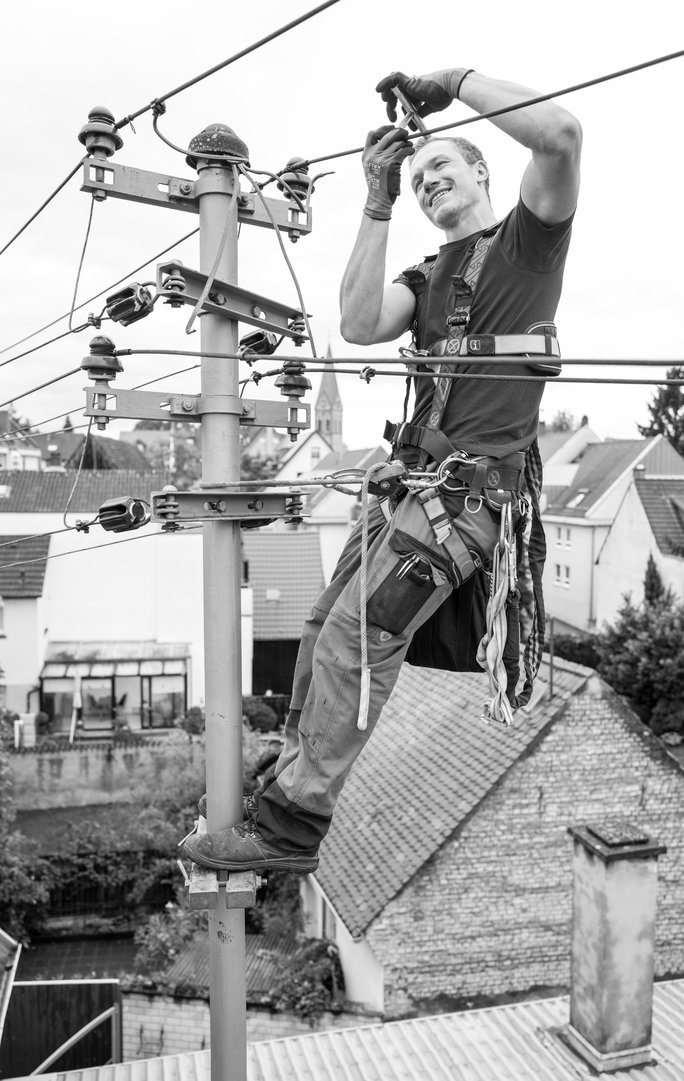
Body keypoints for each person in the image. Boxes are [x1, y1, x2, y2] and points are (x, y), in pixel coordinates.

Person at [181, 66, 582, 874]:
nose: (431, 180)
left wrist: (454, 81)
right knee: (326, 628)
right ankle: (287, 783)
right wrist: (378, 196)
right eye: (422, 176)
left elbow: (562, 135)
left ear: (483, 174)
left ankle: (290, 831)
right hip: (412, 490)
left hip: (464, 502)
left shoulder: (528, 243)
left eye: (444, 169)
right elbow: (360, 322)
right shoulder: (425, 276)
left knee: (359, 640)